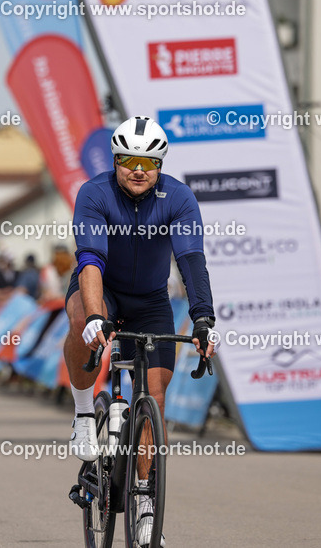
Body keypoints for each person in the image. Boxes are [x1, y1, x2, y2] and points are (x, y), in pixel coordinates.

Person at [63, 116, 217, 546]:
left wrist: (203, 317)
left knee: (154, 395)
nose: (138, 169)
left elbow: (191, 260)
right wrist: (96, 316)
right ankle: (80, 411)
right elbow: (90, 258)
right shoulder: (94, 194)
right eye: (128, 159)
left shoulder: (179, 198)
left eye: (148, 161)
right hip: (103, 290)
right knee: (79, 318)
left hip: (150, 301)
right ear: (115, 161)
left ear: (160, 165)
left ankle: (145, 502)